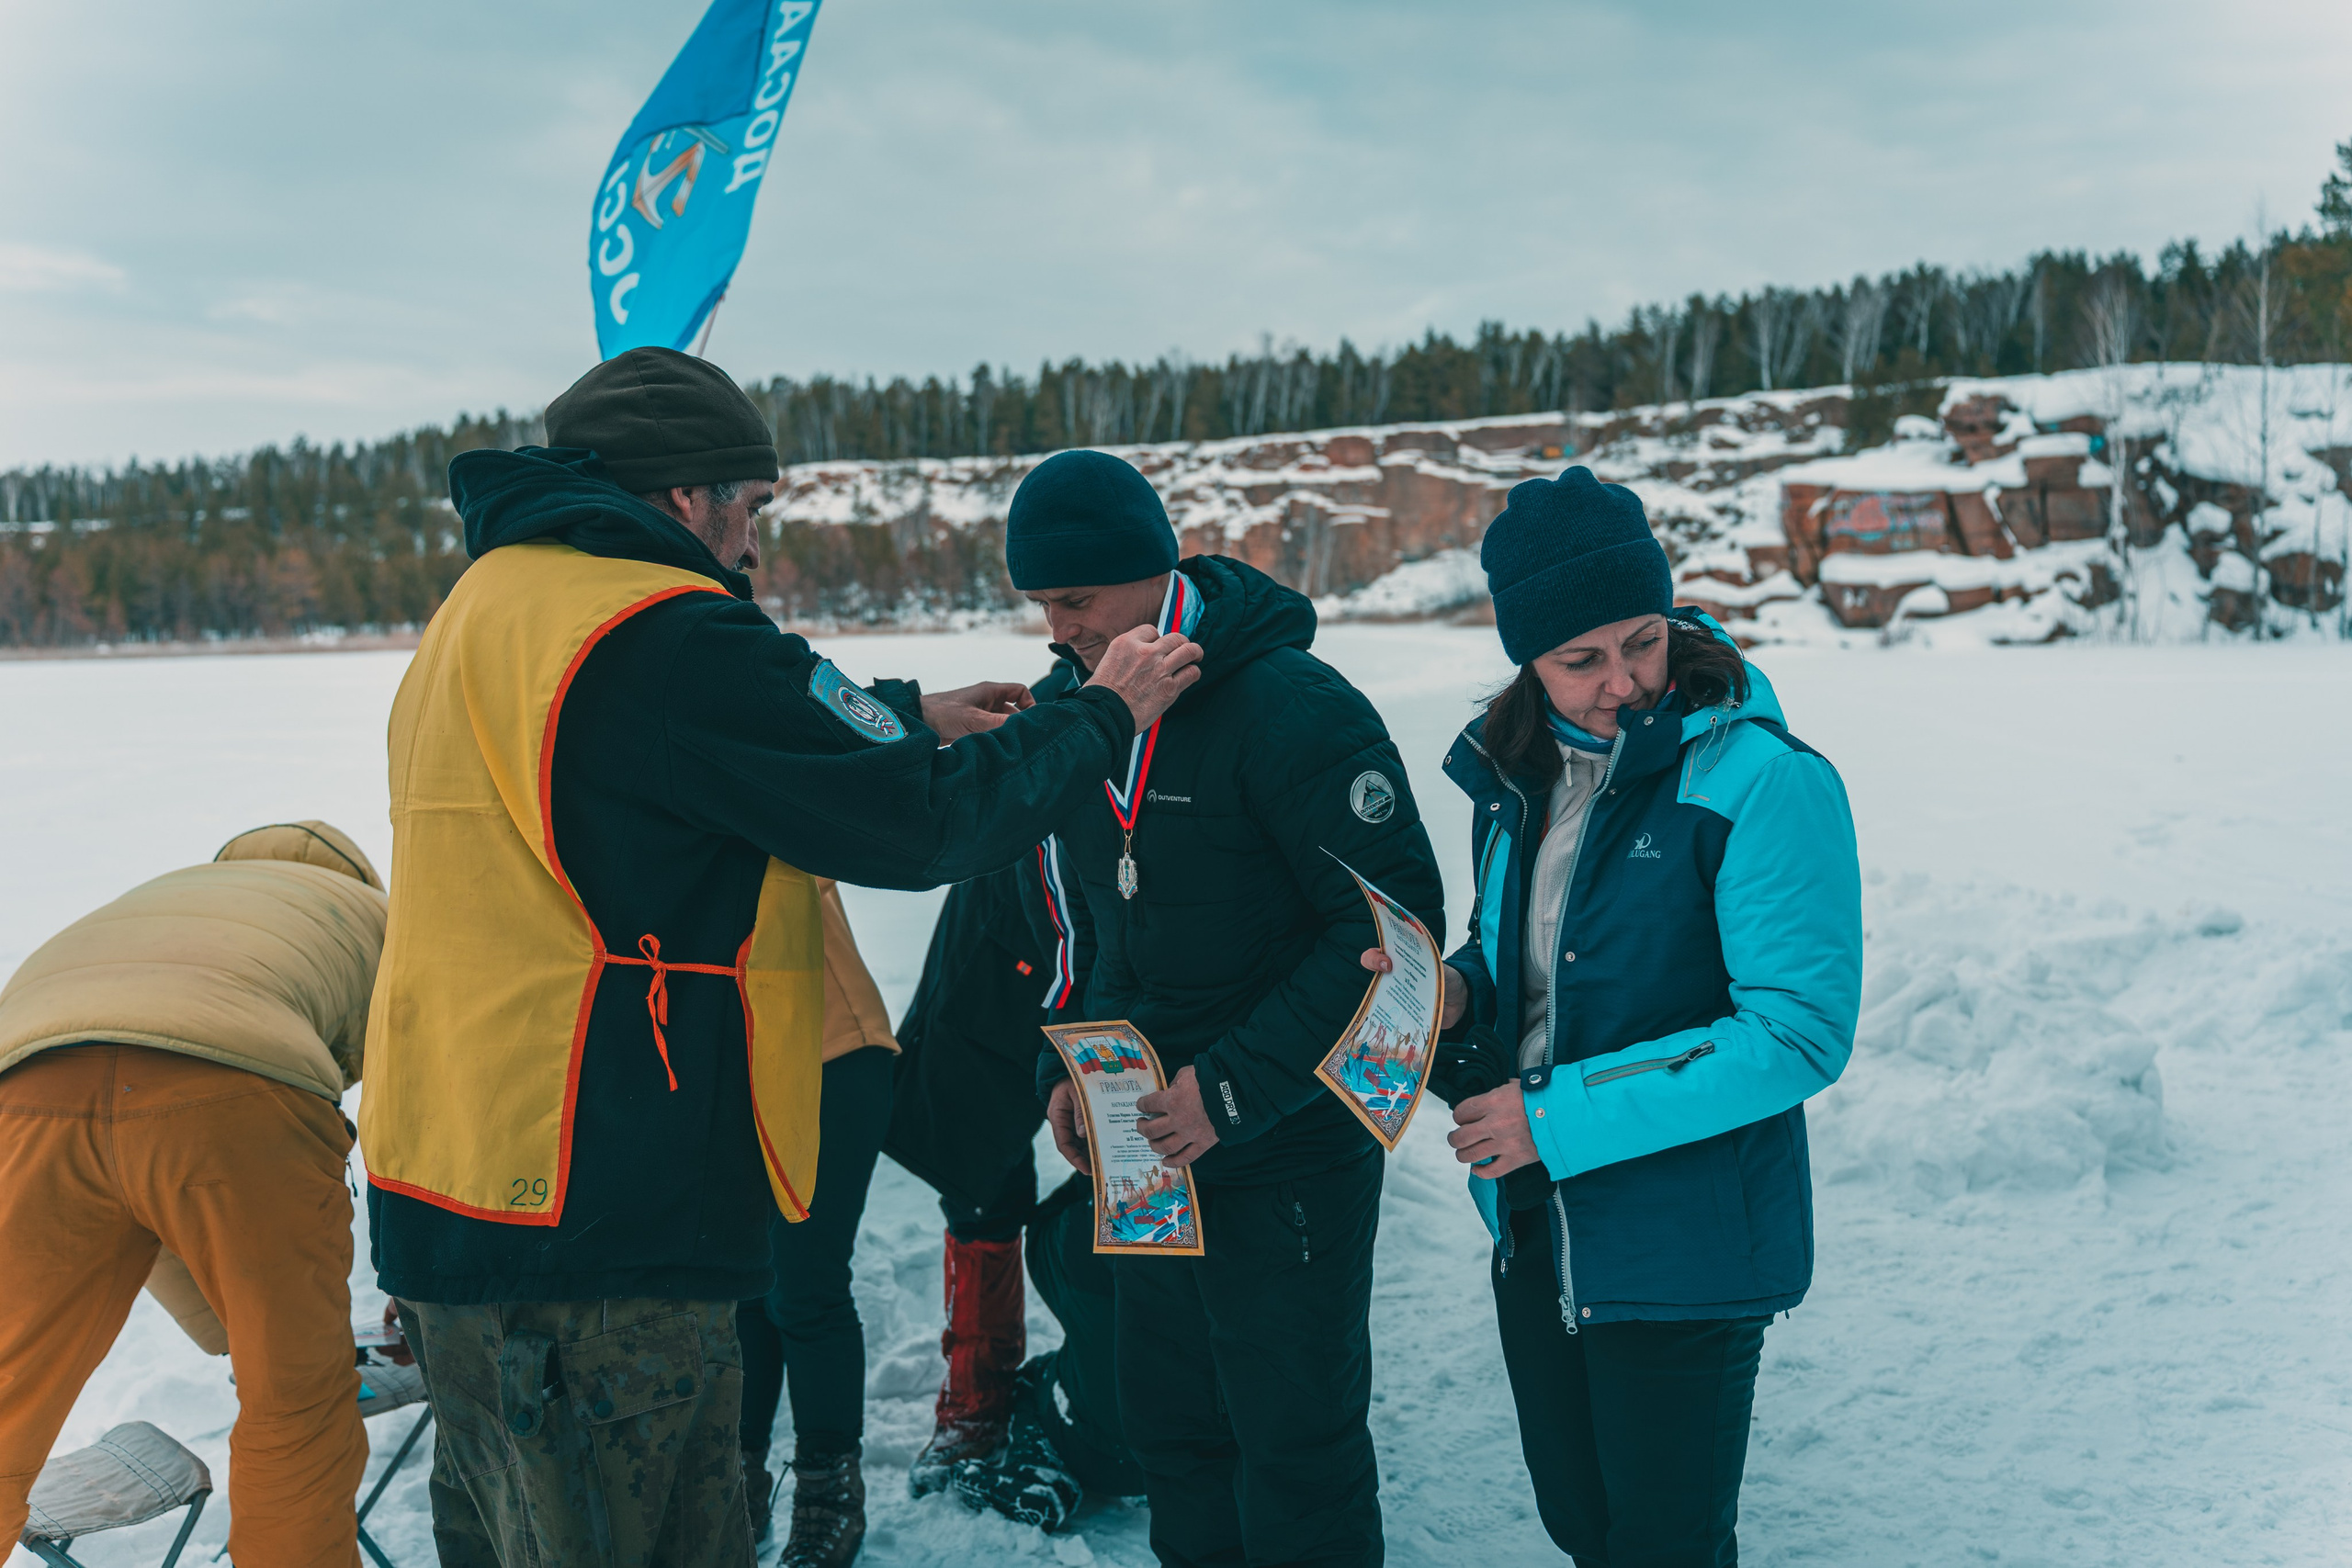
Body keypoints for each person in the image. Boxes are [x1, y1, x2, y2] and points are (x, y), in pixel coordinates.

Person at [361, 349, 1201, 1568]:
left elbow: (691, 740)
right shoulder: (663, 628)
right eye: (747, 508)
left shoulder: (486, 609)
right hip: (602, 1206)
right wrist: (1100, 711)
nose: (749, 546)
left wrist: (902, 706)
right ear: (684, 496)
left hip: (453, 1187)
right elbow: (922, 821)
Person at [1377, 465, 1860, 1566]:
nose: (1622, 683)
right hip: (1540, 1224)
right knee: (1583, 1525)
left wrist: (1551, 1117)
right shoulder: (1518, 775)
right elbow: (1549, 965)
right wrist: (1458, 988)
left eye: (1641, 641)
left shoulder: (1760, 780)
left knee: (1662, 1544)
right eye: (1578, 660)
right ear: (1527, 661)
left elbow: (1796, 1033)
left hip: (1686, 1237)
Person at [1016, 450, 1446, 1568]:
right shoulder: (1084, 714)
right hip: (1146, 1143)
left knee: (1293, 1442)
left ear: (1152, 578)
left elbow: (1388, 939)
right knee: (1175, 1429)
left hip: (1284, 1139)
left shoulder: (1290, 705)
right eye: (1042, 604)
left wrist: (1231, 1089)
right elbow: (1090, 922)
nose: (1055, 629)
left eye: (1075, 600)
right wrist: (1075, 1068)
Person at [0, 821, 389, 1567]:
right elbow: (420, 1110)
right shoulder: (376, 919)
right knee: (296, 1406)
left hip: (30, 1086)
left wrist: (224, 1324)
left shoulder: (165, 896)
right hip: (239, 1084)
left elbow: (132, 1186)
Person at [886, 729, 1143, 1530]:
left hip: (1122, 971)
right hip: (1000, 961)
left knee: (1135, 1191)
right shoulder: (1058, 719)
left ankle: (1110, 1395)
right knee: (981, 1180)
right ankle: (977, 1396)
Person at [736, 879, 898, 1567]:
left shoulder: (742, 772)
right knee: (739, 1283)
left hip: (831, 1049)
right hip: (738, 1063)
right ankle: (733, 1483)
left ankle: (830, 1494)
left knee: (804, 1283)